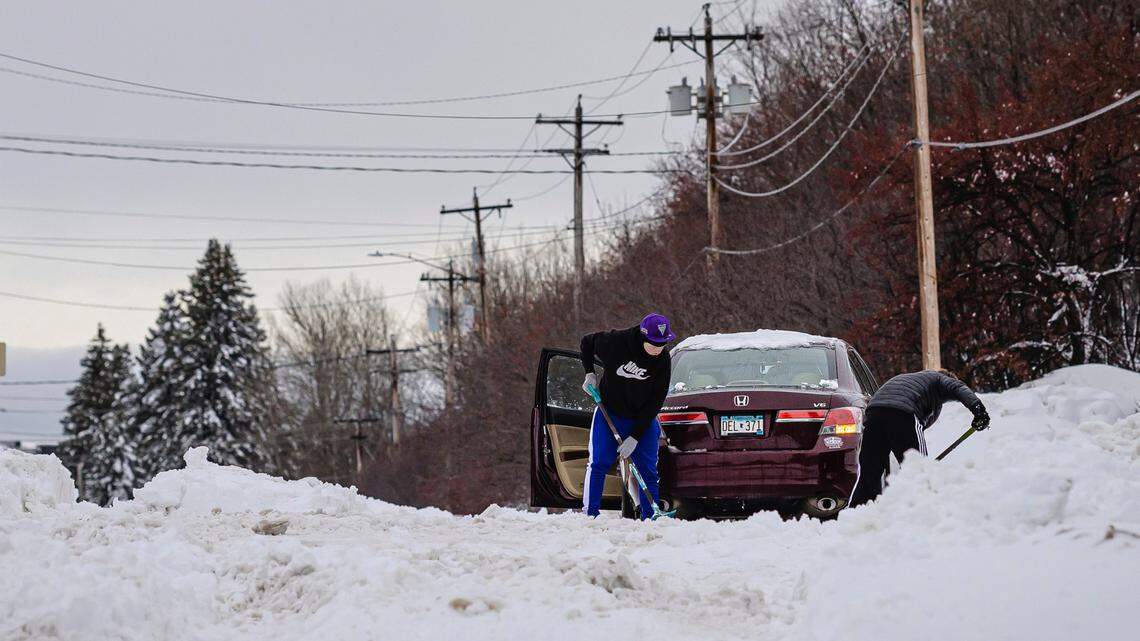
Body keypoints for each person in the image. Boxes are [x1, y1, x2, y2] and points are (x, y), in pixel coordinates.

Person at [579, 313, 675, 520]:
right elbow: (587, 342)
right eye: (654, 344)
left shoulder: (663, 360)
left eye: (663, 344)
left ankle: (650, 518)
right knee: (599, 462)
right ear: (643, 337)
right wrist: (589, 373)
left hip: (643, 418)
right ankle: (590, 515)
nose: (658, 349)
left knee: (647, 470)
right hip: (610, 414)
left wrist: (635, 436)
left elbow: (656, 402)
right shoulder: (616, 342)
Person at [848, 369, 990, 507]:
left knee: (869, 474)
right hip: (902, 413)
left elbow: (921, 424)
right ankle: (922, 510)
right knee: (918, 470)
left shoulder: (912, 379)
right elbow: (957, 387)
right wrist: (979, 410)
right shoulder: (938, 378)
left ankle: (858, 517)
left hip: (874, 412)